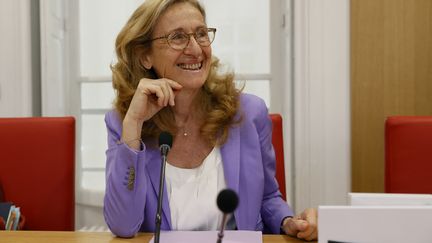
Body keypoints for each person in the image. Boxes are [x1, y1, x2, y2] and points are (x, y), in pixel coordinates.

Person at [103, 0, 318, 241]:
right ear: (145, 56)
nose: (195, 49)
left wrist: (288, 222)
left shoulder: (248, 113)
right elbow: (123, 226)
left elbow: (267, 197)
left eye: (201, 34)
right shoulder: (125, 121)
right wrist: (134, 123)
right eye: (178, 37)